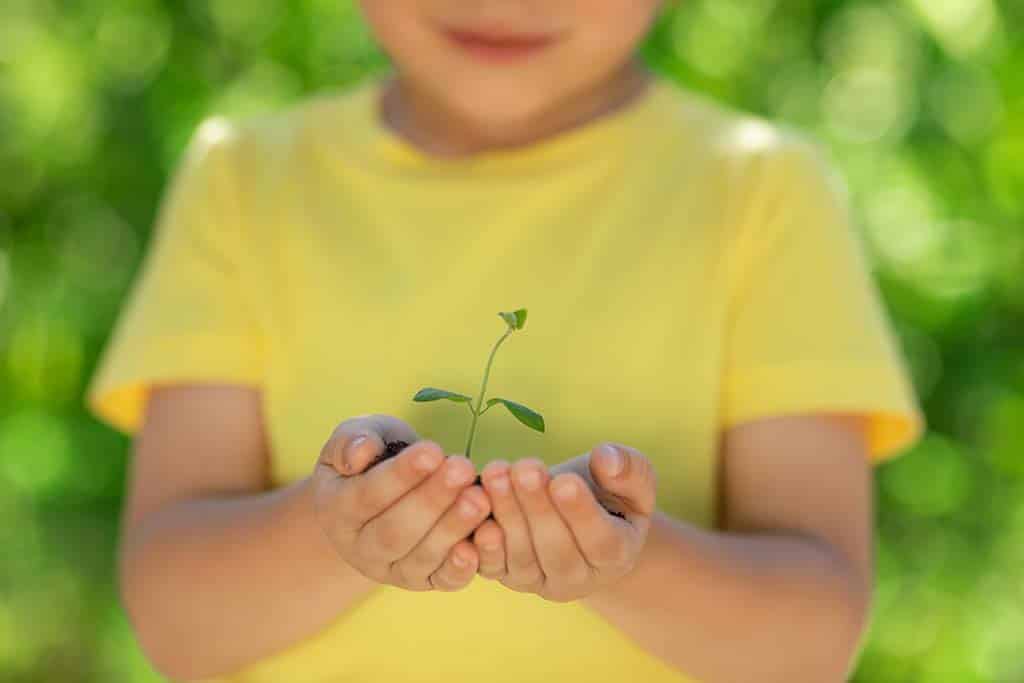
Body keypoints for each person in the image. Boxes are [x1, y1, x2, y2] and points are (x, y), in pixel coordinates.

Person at [85, 2, 925, 682]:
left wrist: (627, 564)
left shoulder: (762, 191)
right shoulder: (241, 182)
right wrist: (331, 532)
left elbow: (811, 641)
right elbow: (175, 624)